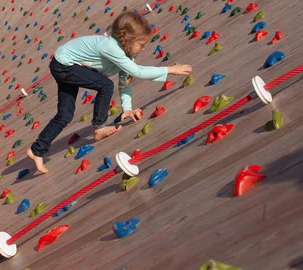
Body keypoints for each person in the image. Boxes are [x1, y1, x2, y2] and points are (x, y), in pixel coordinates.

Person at [26, 11, 193, 174]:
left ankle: (37, 150)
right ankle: (99, 128)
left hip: (64, 64)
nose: (143, 49)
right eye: (141, 45)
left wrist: (127, 109)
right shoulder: (111, 47)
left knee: (65, 115)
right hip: (64, 65)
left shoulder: (125, 53)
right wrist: (170, 69)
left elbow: (125, 80)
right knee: (105, 85)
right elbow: (139, 72)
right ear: (128, 40)